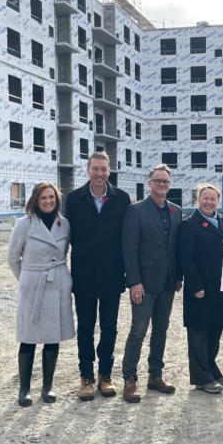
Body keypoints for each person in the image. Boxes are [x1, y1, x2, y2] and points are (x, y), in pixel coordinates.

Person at [64, 152, 131, 402]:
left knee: (109, 328)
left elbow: (128, 238)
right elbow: (65, 238)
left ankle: (105, 375)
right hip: (83, 276)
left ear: (109, 171)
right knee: (85, 328)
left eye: (104, 169)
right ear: (87, 170)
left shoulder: (122, 199)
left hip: (113, 275)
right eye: (95, 169)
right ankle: (86, 377)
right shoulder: (73, 200)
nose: (99, 173)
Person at [6, 182, 76, 407]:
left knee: (52, 336)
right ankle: (24, 389)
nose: (48, 201)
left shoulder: (63, 224)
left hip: (57, 282)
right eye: (43, 198)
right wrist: (26, 279)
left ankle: (48, 386)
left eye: (52, 198)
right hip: (33, 283)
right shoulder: (23, 225)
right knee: (28, 336)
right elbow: (12, 258)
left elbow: (64, 252)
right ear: (35, 200)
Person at [119, 164, 182, 403]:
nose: (162, 185)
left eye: (165, 181)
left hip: (167, 283)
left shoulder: (176, 211)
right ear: (150, 183)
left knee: (161, 330)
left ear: (170, 184)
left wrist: (178, 277)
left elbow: (177, 248)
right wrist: (134, 282)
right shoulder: (135, 211)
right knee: (138, 331)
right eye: (158, 181)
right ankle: (130, 378)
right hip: (143, 284)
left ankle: (155, 375)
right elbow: (129, 248)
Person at [177, 184, 223, 394]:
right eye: (205, 198)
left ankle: (211, 368)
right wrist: (195, 285)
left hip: (221, 286)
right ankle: (201, 378)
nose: (209, 202)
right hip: (201, 287)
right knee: (199, 333)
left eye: (213, 198)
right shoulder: (189, 225)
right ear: (198, 200)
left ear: (218, 200)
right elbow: (186, 258)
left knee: (215, 329)